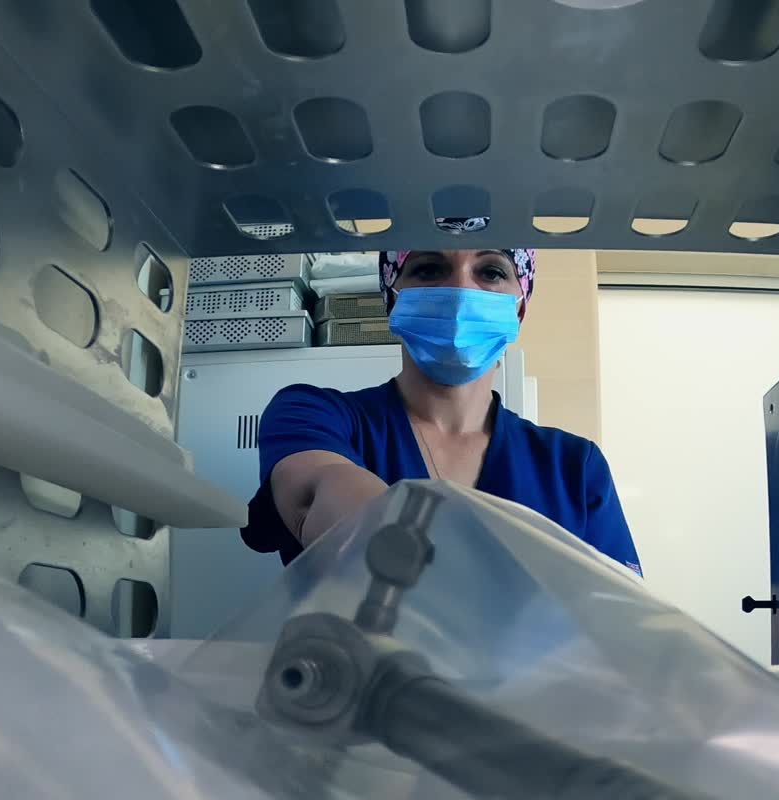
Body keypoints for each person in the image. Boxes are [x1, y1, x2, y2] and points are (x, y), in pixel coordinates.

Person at [242, 224, 641, 574]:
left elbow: (617, 616)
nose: (460, 290)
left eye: (491, 271)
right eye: (429, 268)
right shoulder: (314, 415)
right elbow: (320, 491)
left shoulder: (573, 467)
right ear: (392, 300)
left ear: (519, 309)